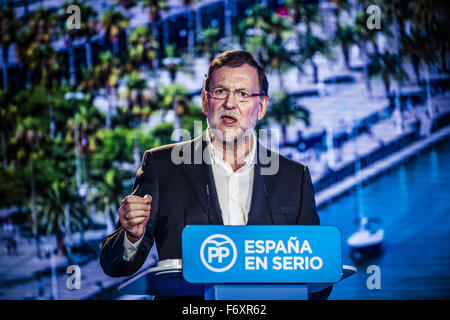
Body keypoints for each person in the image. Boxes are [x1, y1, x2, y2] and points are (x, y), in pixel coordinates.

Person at [100, 50, 331, 299]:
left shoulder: (294, 177)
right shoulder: (162, 166)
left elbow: (316, 276)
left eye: (243, 94)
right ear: (204, 100)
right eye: (220, 92)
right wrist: (132, 236)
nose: (230, 104)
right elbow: (115, 265)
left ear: (261, 106)